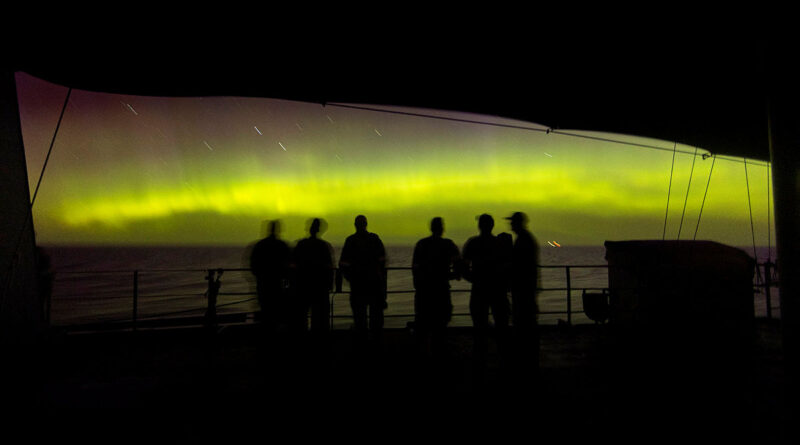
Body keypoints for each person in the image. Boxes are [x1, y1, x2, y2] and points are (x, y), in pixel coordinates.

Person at [462, 214, 510, 366]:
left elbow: (463, 267)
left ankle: (480, 358)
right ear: (492, 226)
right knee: (501, 326)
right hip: (498, 290)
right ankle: (504, 358)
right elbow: (508, 266)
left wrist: (473, 279)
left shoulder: (473, 243)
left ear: (480, 226)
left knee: (479, 326)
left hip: (479, 289)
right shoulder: (500, 243)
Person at [412, 217, 460, 357]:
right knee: (440, 329)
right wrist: (451, 276)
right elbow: (458, 266)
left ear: (431, 228)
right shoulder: (449, 245)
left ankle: (424, 358)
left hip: (424, 293)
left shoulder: (421, 244)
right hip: (441, 292)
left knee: (422, 329)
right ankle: (439, 357)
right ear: (442, 228)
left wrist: (419, 284)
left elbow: (415, 268)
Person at [339, 215, 387, 342]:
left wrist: (351, 278)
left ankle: (362, 344)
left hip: (358, 285)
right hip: (374, 285)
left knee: (360, 318)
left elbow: (343, 264)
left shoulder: (350, 241)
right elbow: (382, 262)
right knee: (376, 319)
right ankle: (375, 345)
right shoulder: (374, 239)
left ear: (355, 225)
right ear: (366, 224)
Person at [506, 211, 541, 373]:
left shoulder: (523, 241)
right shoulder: (526, 239)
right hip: (526, 286)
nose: (510, 225)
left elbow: (519, 265)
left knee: (524, 320)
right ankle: (528, 354)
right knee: (526, 319)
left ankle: (526, 356)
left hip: (523, 287)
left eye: (512, 222)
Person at [292, 218, 335, 336]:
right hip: (319, 287)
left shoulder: (301, 245)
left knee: (301, 317)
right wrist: (330, 284)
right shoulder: (324, 246)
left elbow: (293, 265)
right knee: (320, 318)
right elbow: (329, 267)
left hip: (302, 286)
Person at [249, 220, 291, 332]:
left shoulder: (260, 245)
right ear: (278, 230)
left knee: (265, 310)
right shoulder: (282, 245)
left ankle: (266, 336)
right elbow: (289, 266)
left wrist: (260, 276)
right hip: (277, 285)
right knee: (278, 312)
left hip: (263, 284)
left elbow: (253, 265)